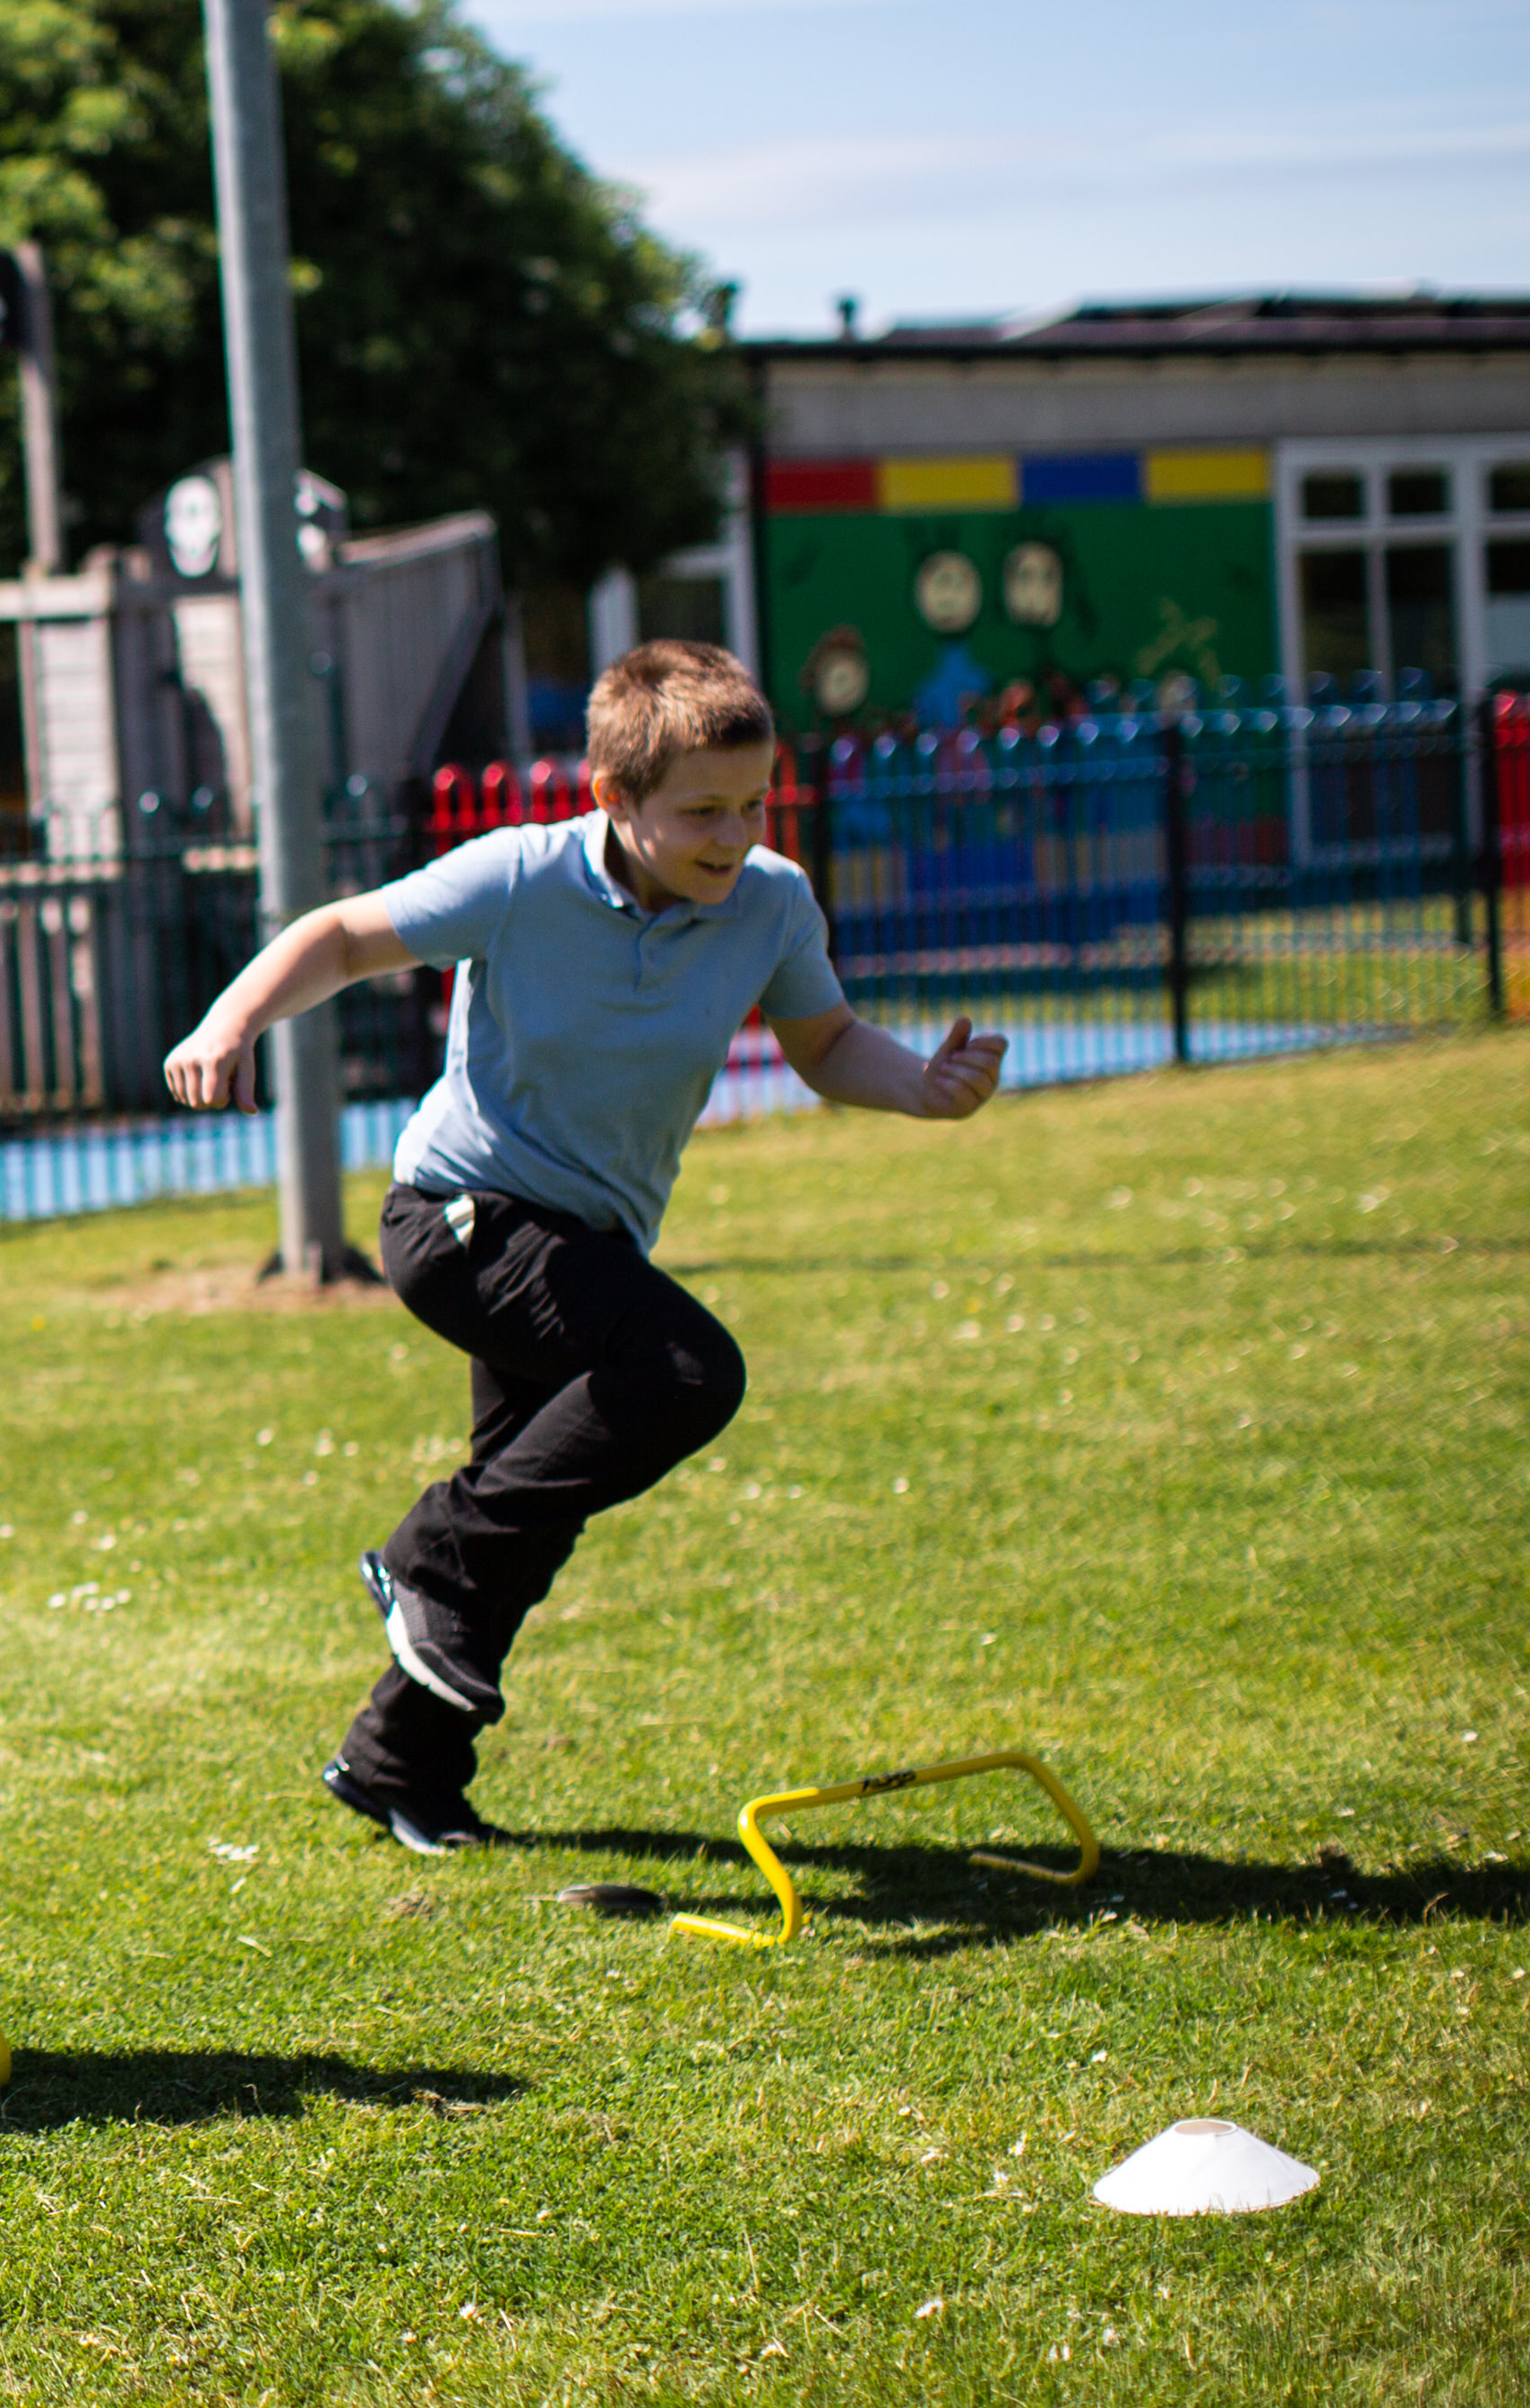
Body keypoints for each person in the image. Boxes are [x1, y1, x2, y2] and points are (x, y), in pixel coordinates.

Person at [163, 643, 1004, 1853]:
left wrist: (922, 1086)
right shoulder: (521, 876)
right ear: (615, 798)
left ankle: (398, 1763)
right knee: (684, 1372)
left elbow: (826, 1045)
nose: (733, 834)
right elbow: (346, 935)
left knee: (534, 1507)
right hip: (461, 1219)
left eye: (753, 803)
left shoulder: (769, 902)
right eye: (701, 810)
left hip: (585, 1245)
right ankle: (428, 1556)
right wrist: (231, 1015)